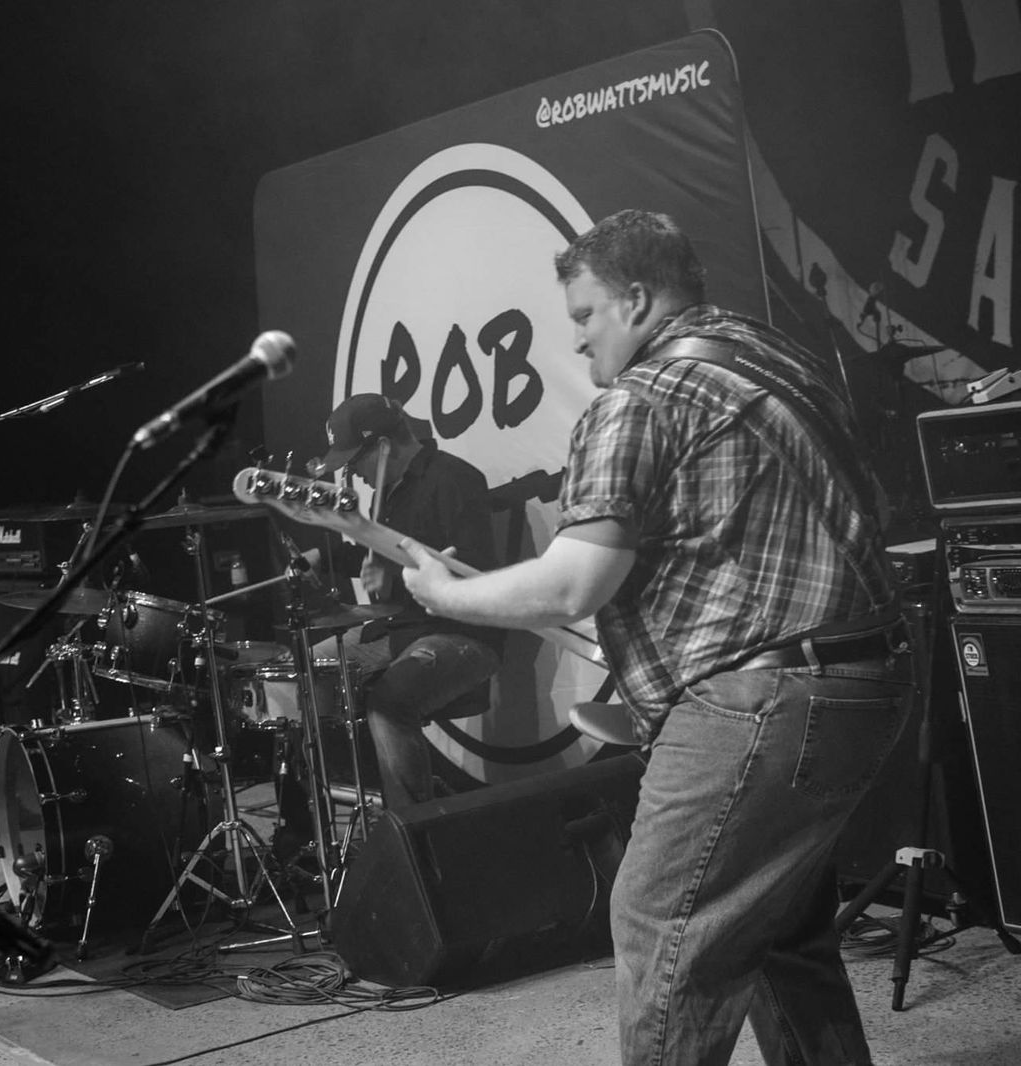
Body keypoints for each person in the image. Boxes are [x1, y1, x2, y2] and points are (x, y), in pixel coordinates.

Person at [399, 209, 913, 1065]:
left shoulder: (641, 398)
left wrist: (447, 596)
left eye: (585, 314)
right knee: (778, 930)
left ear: (636, 300)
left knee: (661, 924)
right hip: (868, 680)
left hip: (762, 698)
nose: (576, 340)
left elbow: (573, 583)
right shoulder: (772, 357)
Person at [297, 393, 506, 813]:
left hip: (459, 633)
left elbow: (474, 568)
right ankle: (311, 820)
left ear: (383, 446)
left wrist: (394, 575)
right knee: (301, 673)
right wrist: (322, 557)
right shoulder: (389, 494)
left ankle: (412, 827)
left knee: (391, 703)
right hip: (397, 629)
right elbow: (380, 554)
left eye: (354, 463)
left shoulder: (454, 479)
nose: (354, 475)